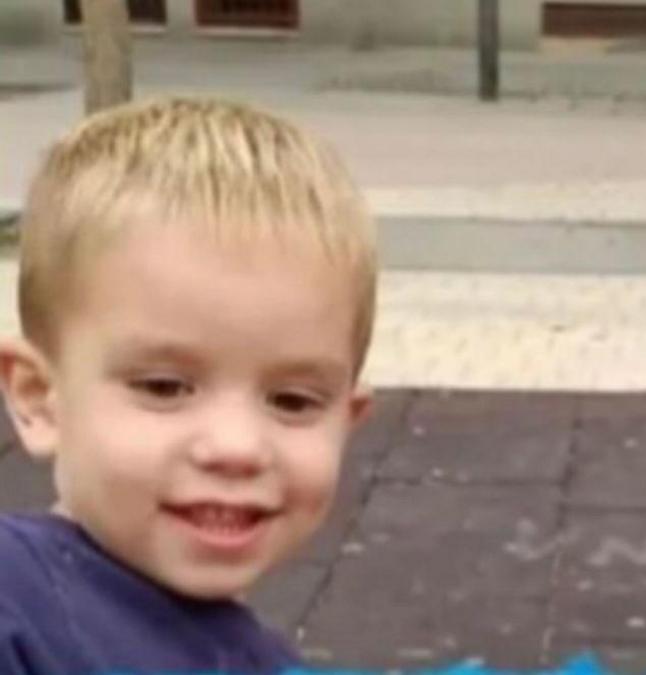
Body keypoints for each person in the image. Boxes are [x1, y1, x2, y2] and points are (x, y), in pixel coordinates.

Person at [0, 96, 376, 673]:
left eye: (293, 401)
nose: (236, 447)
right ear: (37, 398)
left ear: (347, 422)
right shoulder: (16, 601)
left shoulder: (260, 661)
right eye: (163, 387)